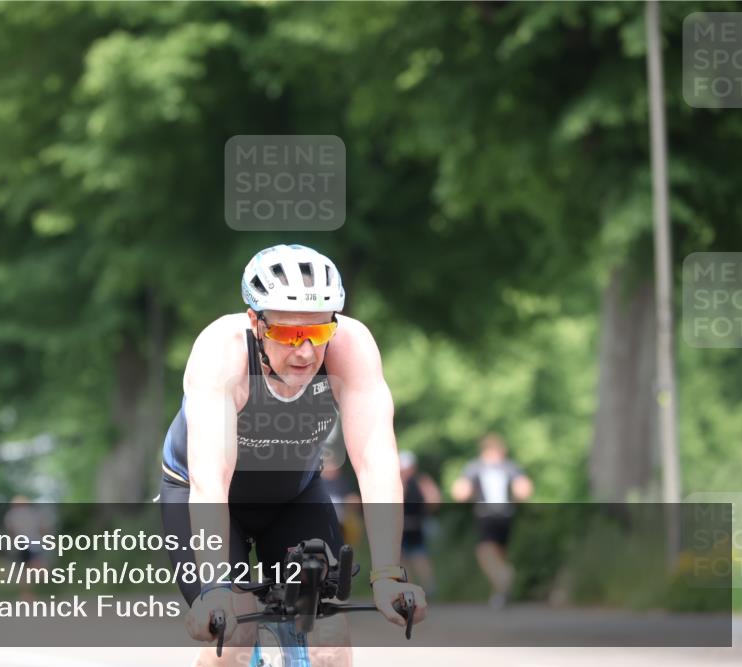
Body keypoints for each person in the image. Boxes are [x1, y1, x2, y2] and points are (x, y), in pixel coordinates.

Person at [159, 244, 427, 667]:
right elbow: (211, 481)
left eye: (318, 333)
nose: (304, 352)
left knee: (330, 642)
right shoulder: (221, 352)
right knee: (236, 630)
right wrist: (214, 590)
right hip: (207, 496)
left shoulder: (351, 346)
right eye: (287, 334)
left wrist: (389, 575)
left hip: (293, 496)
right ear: (255, 322)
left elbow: (376, 462)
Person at [450, 433, 533, 609]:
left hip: (486, 515)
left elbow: (460, 492)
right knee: (499, 553)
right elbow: (524, 490)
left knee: (485, 553)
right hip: (506, 515)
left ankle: (504, 576)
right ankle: (499, 594)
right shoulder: (510, 467)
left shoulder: (475, 467)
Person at [399, 451, 440, 598]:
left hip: (414, 525)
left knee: (418, 558)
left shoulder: (419, 482)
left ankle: (424, 589)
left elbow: (433, 503)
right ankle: (411, 590)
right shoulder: (400, 482)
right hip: (404, 526)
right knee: (406, 560)